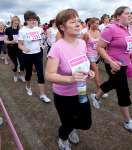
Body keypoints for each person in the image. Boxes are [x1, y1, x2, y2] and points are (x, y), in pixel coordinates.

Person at [45, 9, 94, 150]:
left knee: (86, 123)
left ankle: (72, 127)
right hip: (63, 95)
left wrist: (88, 71)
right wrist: (70, 79)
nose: (78, 24)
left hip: (82, 91)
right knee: (67, 123)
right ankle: (63, 138)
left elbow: (82, 63)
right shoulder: (57, 48)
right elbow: (49, 75)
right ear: (62, 27)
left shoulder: (82, 43)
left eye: (78, 21)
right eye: (73, 22)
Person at [90, 6, 132, 131]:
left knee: (113, 83)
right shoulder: (110, 29)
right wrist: (110, 61)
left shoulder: (128, 29)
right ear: (118, 16)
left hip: (125, 62)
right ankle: (127, 121)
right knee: (123, 90)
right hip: (113, 64)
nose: (130, 15)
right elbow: (99, 47)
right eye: (127, 13)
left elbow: (128, 46)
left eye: (131, 13)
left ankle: (96, 96)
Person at [18, 11, 51, 103]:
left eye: (34, 19)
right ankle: (28, 86)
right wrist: (24, 48)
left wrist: (42, 45)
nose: (32, 21)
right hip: (27, 55)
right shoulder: (22, 30)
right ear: (26, 21)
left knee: (40, 73)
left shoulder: (39, 29)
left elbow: (40, 40)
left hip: (38, 54)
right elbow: (19, 45)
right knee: (29, 73)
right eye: (30, 20)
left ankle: (43, 95)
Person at [4, 16, 25, 82]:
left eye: (17, 20)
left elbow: (24, 39)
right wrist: (11, 42)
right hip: (11, 49)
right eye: (15, 20)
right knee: (15, 64)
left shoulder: (21, 29)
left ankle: (21, 76)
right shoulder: (8, 29)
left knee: (22, 64)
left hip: (20, 49)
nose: (16, 22)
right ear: (12, 21)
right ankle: (15, 75)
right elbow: (5, 41)